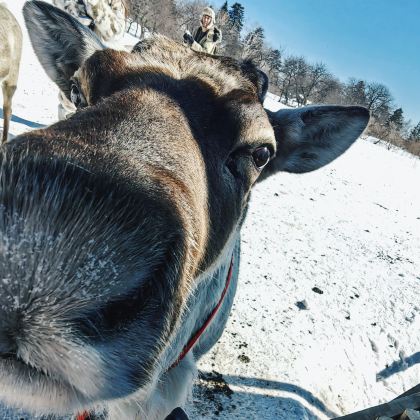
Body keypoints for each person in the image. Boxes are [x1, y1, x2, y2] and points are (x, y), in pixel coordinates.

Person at [52, 0, 129, 119]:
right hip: (73, 59)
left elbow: (115, 32)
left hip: (101, 66)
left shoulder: (115, 3)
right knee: (68, 105)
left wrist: (96, 6)